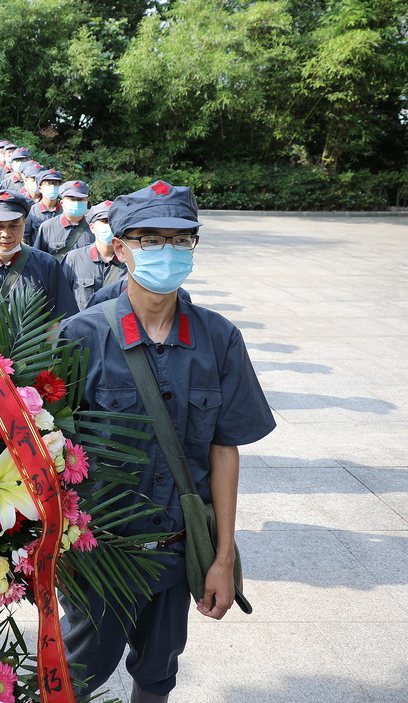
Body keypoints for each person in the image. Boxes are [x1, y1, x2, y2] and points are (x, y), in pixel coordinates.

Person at [59, 181, 275, 703]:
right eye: (151, 239)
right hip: (99, 556)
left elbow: (224, 450)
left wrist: (221, 558)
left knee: (158, 674)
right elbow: (49, 454)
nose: (167, 252)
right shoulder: (81, 336)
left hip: (177, 555)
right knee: (73, 675)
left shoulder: (218, 337)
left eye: (181, 241)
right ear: (120, 246)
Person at [0, 190, 78, 319]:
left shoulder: (46, 265)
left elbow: (56, 320)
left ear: (25, 224)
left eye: (14, 225)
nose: (6, 233)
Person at [61, 202, 130, 311]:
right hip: (82, 325)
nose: (111, 226)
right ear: (92, 227)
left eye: (115, 221)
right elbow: (62, 300)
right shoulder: (73, 259)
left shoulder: (131, 261)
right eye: (105, 221)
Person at [33, 179, 94, 260]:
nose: (76, 203)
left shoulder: (94, 226)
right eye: (72, 199)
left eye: (80, 199)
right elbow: (37, 259)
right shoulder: (47, 227)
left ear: (87, 201)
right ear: (62, 203)